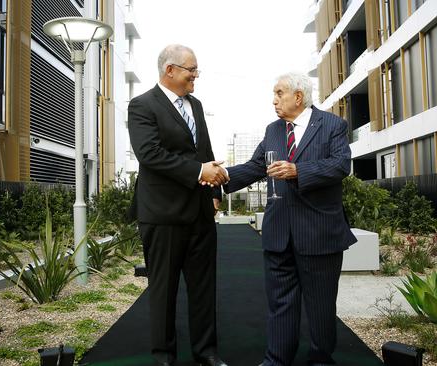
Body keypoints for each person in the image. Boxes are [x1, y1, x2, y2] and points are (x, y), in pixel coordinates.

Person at [222, 73, 356, 366]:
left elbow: (340, 165)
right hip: (278, 231)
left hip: (319, 233)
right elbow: (256, 166)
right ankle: (276, 359)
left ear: (298, 96)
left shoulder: (333, 125)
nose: (274, 99)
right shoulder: (273, 130)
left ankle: (320, 359)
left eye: (279, 93)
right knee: (280, 303)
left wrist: (298, 172)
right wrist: (220, 179)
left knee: (320, 306)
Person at [127, 44, 229, 366]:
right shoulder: (142, 105)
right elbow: (150, 154)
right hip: (163, 215)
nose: (195, 76)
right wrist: (200, 171)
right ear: (169, 70)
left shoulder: (195, 105)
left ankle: (207, 354)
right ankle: (164, 358)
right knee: (163, 291)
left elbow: (204, 149)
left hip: (200, 213)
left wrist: (214, 192)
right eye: (191, 69)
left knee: (203, 290)